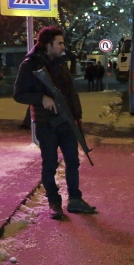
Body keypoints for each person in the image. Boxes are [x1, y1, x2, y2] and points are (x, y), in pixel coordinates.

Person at [13, 26, 96, 219]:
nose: (63, 47)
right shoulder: (29, 65)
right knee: (50, 163)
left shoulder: (61, 63)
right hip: (46, 124)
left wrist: (78, 115)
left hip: (66, 121)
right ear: (47, 45)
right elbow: (18, 94)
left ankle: (75, 199)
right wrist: (41, 98)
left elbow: (70, 92)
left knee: (73, 161)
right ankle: (54, 202)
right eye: (59, 43)